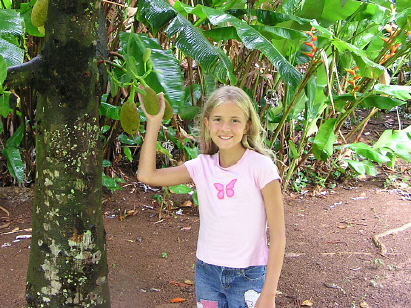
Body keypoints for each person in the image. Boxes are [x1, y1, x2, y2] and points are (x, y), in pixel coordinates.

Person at [137, 85, 286, 308]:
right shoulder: (201, 167)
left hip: (249, 275)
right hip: (207, 273)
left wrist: (269, 294)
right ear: (207, 123)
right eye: (218, 119)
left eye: (235, 120)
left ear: (247, 126)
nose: (225, 127)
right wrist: (154, 123)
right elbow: (146, 175)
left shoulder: (261, 167)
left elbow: (278, 236)